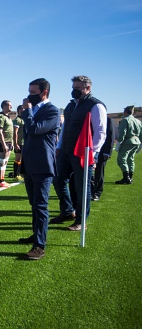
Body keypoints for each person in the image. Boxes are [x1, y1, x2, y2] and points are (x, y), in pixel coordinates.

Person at [51, 76, 106, 231]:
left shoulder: (96, 106)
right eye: (73, 87)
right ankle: (67, 211)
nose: (74, 90)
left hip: (83, 153)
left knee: (82, 186)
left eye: (78, 88)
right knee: (58, 179)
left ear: (88, 88)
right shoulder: (70, 106)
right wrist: (59, 146)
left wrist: (92, 152)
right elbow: (65, 128)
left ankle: (81, 221)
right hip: (66, 151)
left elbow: (100, 133)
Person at [18, 78, 60, 260]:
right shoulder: (34, 110)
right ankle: (36, 235)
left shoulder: (52, 111)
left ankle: (39, 246)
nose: (29, 96)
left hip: (43, 165)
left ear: (44, 93)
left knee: (41, 206)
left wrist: (27, 111)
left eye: (33, 93)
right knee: (34, 204)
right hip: (30, 164)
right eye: (29, 92)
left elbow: (35, 129)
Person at [114, 106, 142, 184]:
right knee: (131, 159)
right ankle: (130, 177)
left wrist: (119, 143)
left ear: (125, 112)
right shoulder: (138, 121)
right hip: (136, 142)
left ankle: (126, 178)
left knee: (121, 159)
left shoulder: (125, 120)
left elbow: (122, 133)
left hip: (127, 142)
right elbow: (141, 134)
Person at [91, 116, 114, 200]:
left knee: (99, 172)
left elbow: (111, 136)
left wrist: (107, 152)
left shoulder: (108, 120)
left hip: (102, 151)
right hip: (91, 149)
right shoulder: (91, 118)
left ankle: (97, 192)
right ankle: (91, 190)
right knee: (90, 172)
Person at [0, 100, 14, 187]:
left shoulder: (8, 117)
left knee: (5, 162)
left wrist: (12, 143)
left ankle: (3, 180)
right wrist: (3, 144)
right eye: (9, 105)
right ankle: (0, 181)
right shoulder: (1, 117)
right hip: (3, 142)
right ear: (4, 106)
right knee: (1, 161)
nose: (11, 107)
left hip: (9, 142)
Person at [12, 105, 25, 181]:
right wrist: (16, 143)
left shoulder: (24, 119)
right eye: (23, 109)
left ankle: (21, 174)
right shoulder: (17, 120)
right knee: (18, 158)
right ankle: (16, 175)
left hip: (25, 142)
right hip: (20, 142)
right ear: (19, 110)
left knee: (23, 159)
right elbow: (15, 132)